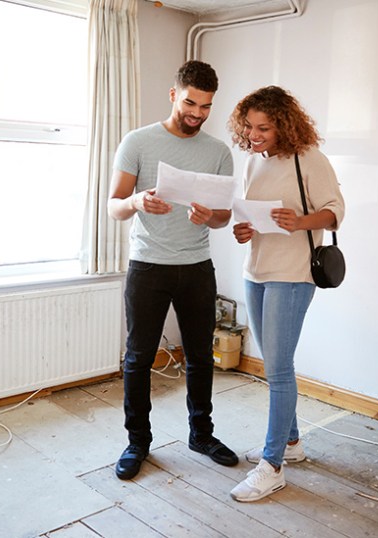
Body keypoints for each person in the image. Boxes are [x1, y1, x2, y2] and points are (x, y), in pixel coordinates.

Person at [107, 60, 238, 481]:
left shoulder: (218, 152)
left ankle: (201, 435)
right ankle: (137, 442)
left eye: (206, 106)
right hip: (148, 267)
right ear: (173, 94)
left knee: (201, 356)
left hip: (197, 266)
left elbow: (222, 217)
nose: (197, 113)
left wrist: (210, 217)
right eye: (190, 102)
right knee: (139, 358)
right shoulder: (138, 142)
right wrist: (137, 202)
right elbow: (114, 206)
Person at [226, 86, 345, 502]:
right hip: (255, 269)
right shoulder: (252, 162)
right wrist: (243, 230)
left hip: (293, 274)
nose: (254, 135)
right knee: (272, 363)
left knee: (277, 369)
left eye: (264, 128)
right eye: (249, 127)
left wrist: (300, 222)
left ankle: (272, 465)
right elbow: (247, 216)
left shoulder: (309, 159)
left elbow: (335, 211)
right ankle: (292, 444)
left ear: (285, 124)